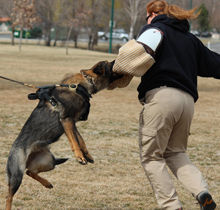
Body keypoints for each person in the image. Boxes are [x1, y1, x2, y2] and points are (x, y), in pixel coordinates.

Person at [108, 0, 219, 209]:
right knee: (176, 152)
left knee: (151, 157)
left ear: (152, 15)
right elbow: (215, 64)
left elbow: (133, 57)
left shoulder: (155, 30)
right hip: (187, 103)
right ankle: (202, 192)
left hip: (162, 99)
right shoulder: (191, 40)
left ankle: (171, 206)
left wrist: (111, 72)